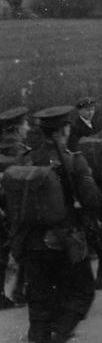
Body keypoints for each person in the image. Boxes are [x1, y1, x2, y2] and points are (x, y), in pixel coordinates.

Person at [8, 105, 102, 343]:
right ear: (64, 129)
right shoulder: (73, 160)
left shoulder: (25, 160)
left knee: (39, 303)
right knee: (82, 293)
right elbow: (92, 200)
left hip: (31, 242)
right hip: (65, 241)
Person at [0, 106, 32, 310]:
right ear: (18, 129)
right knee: (24, 248)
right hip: (17, 209)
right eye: (25, 124)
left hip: (2, 208)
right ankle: (19, 291)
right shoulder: (22, 153)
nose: (28, 128)